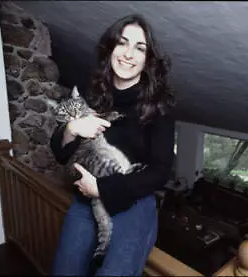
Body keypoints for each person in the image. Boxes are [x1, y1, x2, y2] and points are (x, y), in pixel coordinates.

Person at [49, 14, 175, 276]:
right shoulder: (92, 93)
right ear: (110, 49)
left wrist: (101, 188)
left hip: (133, 204)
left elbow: (161, 171)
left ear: (148, 60)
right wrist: (72, 128)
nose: (129, 54)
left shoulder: (160, 106)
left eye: (140, 48)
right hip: (85, 202)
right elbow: (61, 154)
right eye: (122, 43)